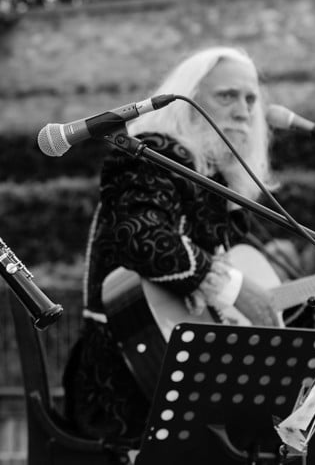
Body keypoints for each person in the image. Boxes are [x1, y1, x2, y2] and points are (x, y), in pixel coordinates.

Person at [62, 46, 279, 445]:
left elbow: (244, 297)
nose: (244, 110)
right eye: (227, 96)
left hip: (197, 370)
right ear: (188, 101)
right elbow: (143, 238)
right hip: (125, 375)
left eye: (251, 99)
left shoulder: (220, 180)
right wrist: (232, 288)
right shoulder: (154, 152)